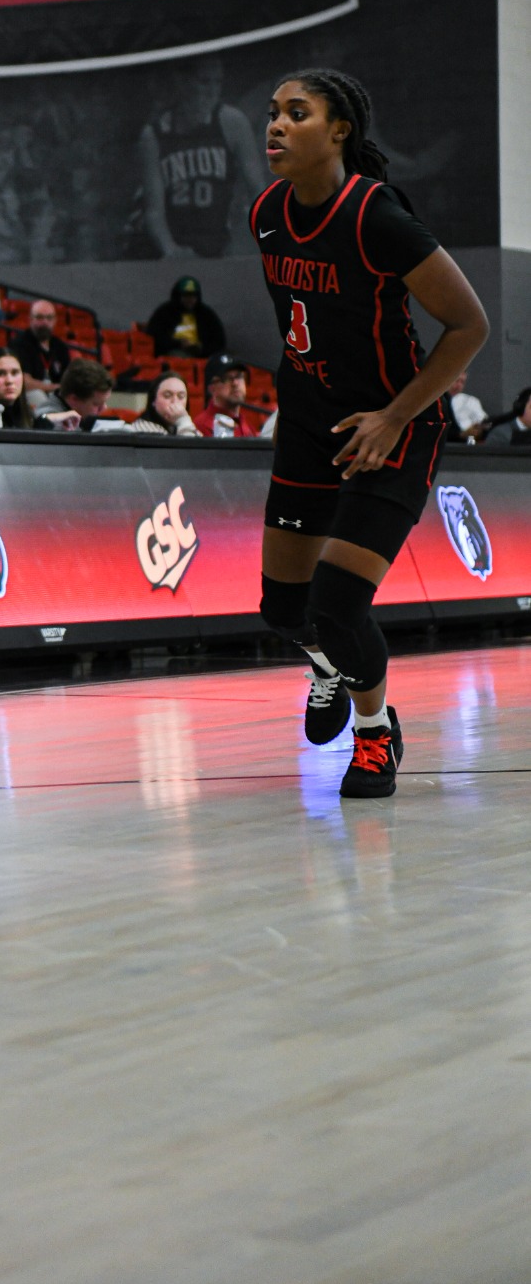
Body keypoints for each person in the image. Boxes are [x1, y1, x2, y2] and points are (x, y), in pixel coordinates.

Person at [253, 68, 488, 797]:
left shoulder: (376, 217)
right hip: (307, 426)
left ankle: (374, 733)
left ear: (339, 131)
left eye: (296, 113)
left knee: (336, 603)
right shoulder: (264, 211)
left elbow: (468, 324)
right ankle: (327, 667)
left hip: (392, 427)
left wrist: (394, 415)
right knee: (282, 610)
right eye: (272, 113)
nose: (276, 125)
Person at [140, 59, 264, 260]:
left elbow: (257, 191)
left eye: (218, 83)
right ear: (182, 82)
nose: (212, 92)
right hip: (175, 249)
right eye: (205, 82)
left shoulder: (232, 123)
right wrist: (170, 249)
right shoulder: (154, 135)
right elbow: (154, 210)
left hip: (221, 247)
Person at [145, 275, 227, 359]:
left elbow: (218, 340)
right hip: (173, 354)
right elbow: (155, 338)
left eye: (193, 295)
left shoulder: (206, 314)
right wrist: (178, 343)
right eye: (186, 295)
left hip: (203, 355)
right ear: (178, 296)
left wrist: (201, 348)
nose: (190, 299)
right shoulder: (165, 313)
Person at [36, 359, 119, 431]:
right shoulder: (50, 424)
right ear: (74, 400)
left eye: (104, 403)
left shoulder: (83, 416)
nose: (104, 408)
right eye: (96, 404)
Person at [11, 300, 73, 397]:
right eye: (39, 317)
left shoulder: (60, 346)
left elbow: (69, 379)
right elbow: (24, 382)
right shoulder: (19, 344)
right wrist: (54, 387)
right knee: (37, 395)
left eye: (49, 318)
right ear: (30, 319)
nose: (45, 322)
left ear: (55, 320)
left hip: (57, 394)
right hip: (30, 395)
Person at [193, 356, 258, 438]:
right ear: (211, 388)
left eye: (239, 376)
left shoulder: (246, 424)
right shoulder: (202, 426)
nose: (235, 383)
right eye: (226, 378)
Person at [130, 371, 201, 437]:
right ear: (153, 400)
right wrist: (183, 420)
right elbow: (187, 450)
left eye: (181, 396)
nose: (175, 401)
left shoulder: (180, 424)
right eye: (167, 396)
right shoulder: (144, 429)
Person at [446, 369, 490, 442]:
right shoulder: (438, 401)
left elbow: (484, 421)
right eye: (456, 381)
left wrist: (478, 428)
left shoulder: (471, 401)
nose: (459, 385)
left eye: (462, 382)